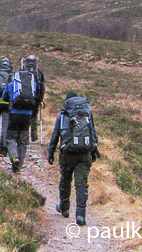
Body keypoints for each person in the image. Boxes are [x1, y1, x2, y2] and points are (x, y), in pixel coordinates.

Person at [47, 92, 100, 226]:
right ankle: (81, 215)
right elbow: (93, 133)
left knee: (65, 179)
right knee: (81, 184)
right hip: (84, 153)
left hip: (67, 153)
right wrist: (94, 151)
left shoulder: (63, 115)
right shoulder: (87, 115)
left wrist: (51, 152)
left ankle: (64, 208)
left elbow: (55, 135)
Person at [2, 67, 38, 172]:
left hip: (14, 114)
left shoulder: (12, 85)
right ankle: (19, 167)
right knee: (22, 141)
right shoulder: (32, 85)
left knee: (11, 138)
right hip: (27, 115)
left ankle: (14, 157)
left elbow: (4, 97)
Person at [21, 55, 45, 143]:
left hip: (24, 97)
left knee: (25, 116)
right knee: (34, 117)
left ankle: (25, 137)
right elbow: (42, 86)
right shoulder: (38, 72)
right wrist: (41, 98)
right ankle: (34, 137)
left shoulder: (23, 70)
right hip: (36, 98)